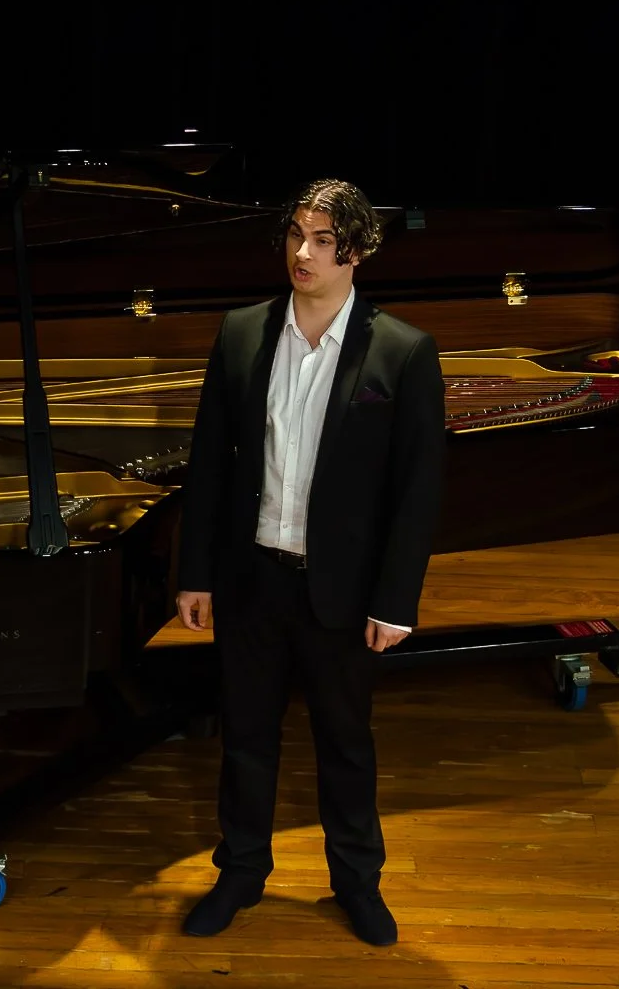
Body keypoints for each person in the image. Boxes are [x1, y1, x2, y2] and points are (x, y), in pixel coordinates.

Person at [174, 178, 446, 946]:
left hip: (343, 588)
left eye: (323, 240)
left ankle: (356, 883)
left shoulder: (402, 351)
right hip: (251, 575)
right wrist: (194, 572)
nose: (302, 252)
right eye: (296, 234)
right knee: (247, 737)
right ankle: (241, 873)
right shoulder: (239, 332)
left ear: (356, 250)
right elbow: (209, 468)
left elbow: (416, 492)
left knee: (344, 743)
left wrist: (394, 602)